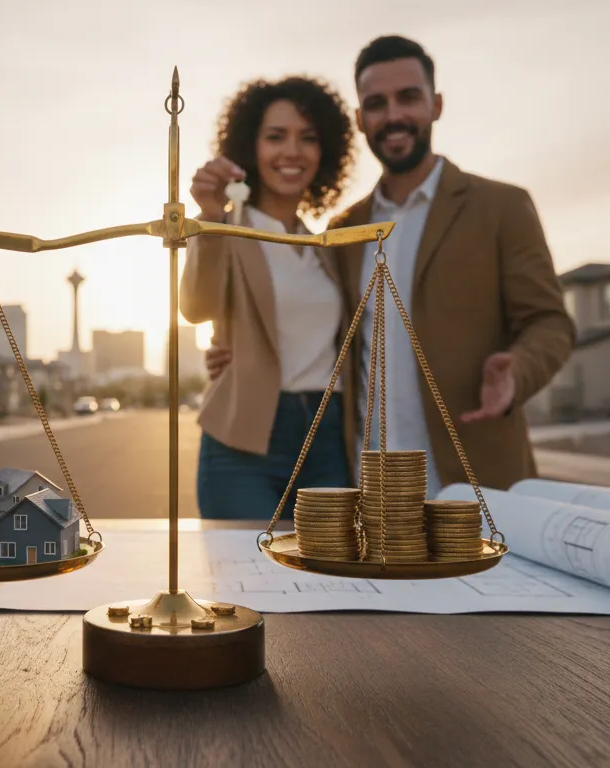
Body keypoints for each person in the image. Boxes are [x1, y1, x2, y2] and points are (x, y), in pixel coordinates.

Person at [205, 36, 575, 499]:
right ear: (360, 120)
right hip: (365, 485)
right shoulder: (342, 231)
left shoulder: (502, 207)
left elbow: (550, 322)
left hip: (474, 479)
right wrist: (231, 350)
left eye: (409, 97)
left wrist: (518, 369)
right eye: (376, 104)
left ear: (436, 105)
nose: (394, 116)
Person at [180, 75, 359, 519]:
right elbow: (196, 307)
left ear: (326, 151)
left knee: (327, 582)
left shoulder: (330, 248)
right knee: (248, 583)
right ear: (250, 146)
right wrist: (207, 216)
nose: (292, 151)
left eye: (308, 138)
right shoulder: (231, 228)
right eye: (275, 137)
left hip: (328, 437)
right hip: (244, 440)